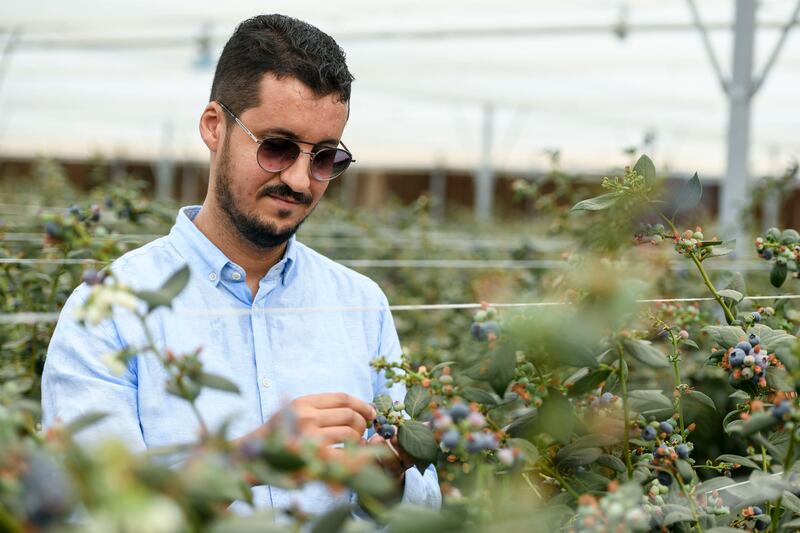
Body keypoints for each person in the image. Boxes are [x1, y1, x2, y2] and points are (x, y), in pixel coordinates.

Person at [42, 13, 441, 515]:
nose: (299, 180)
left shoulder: (360, 304)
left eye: (323, 158)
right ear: (214, 126)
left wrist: (390, 476)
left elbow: (424, 515)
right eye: (276, 147)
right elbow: (91, 512)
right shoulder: (108, 310)